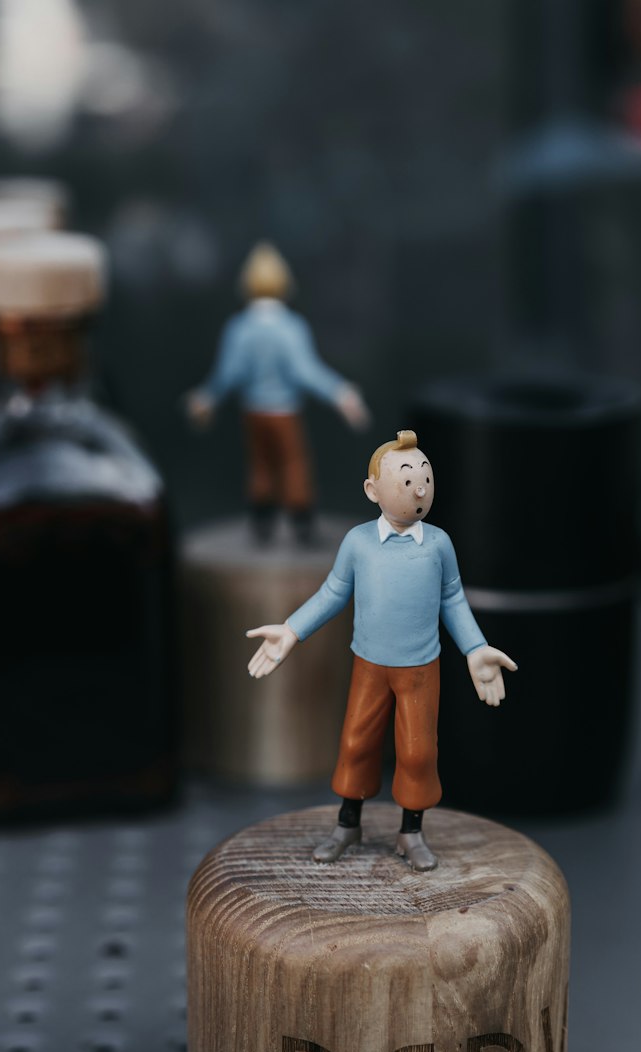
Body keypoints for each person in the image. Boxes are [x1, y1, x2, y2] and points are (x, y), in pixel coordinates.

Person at [246, 429, 517, 871]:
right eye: (407, 479)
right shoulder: (358, 543)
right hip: (369, 665)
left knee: (418, 751)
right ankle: (347, 823)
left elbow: (453, 599)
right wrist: (292, 630)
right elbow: (333, 593)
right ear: (373, 490)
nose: (420, 489)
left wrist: (475, 647)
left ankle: (411, 832)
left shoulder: (439, 545)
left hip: (420, 669)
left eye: (425, 478)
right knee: (356, 742)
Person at [186, 241, 369, 543]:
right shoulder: (290, 327)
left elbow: (229, 372)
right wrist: (340, 392)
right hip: (284, 411)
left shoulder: (240, 327)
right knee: (293, 464)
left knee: (260, 465)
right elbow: (306, 371)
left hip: (254, 411)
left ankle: (262, 523)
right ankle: (302, 525)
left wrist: (208, 396)